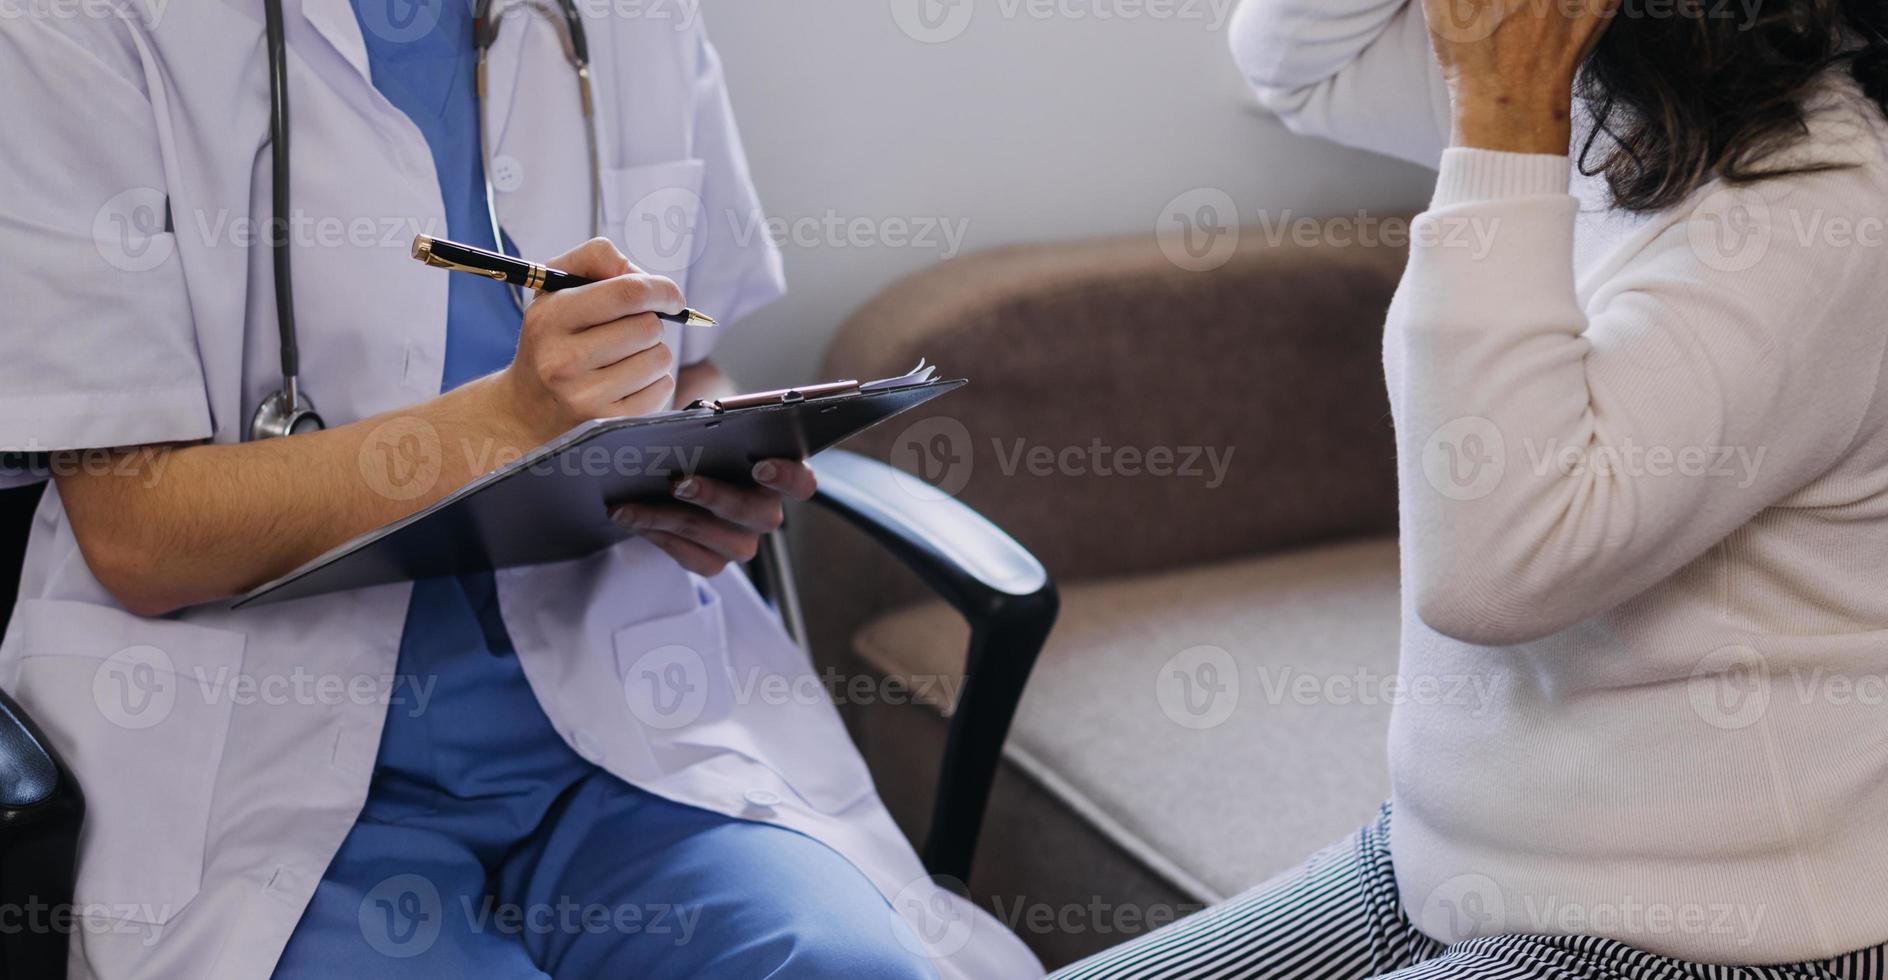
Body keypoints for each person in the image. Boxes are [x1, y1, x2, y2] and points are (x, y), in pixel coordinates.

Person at [0, 2, 1041, 978]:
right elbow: (138, 532)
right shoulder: (76, 25)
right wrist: (506, 418)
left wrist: (707, 457)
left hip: (630, 723)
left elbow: (693, 355)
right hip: (258, 771)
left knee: (850, 965)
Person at [1055, 0, 1888, 977]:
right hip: (1440, 865)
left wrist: (1501, 118)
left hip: (1713, 933)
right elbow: (1294, 60)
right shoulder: (1629, 87)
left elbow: (1495, 570)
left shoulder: (1818, 199)